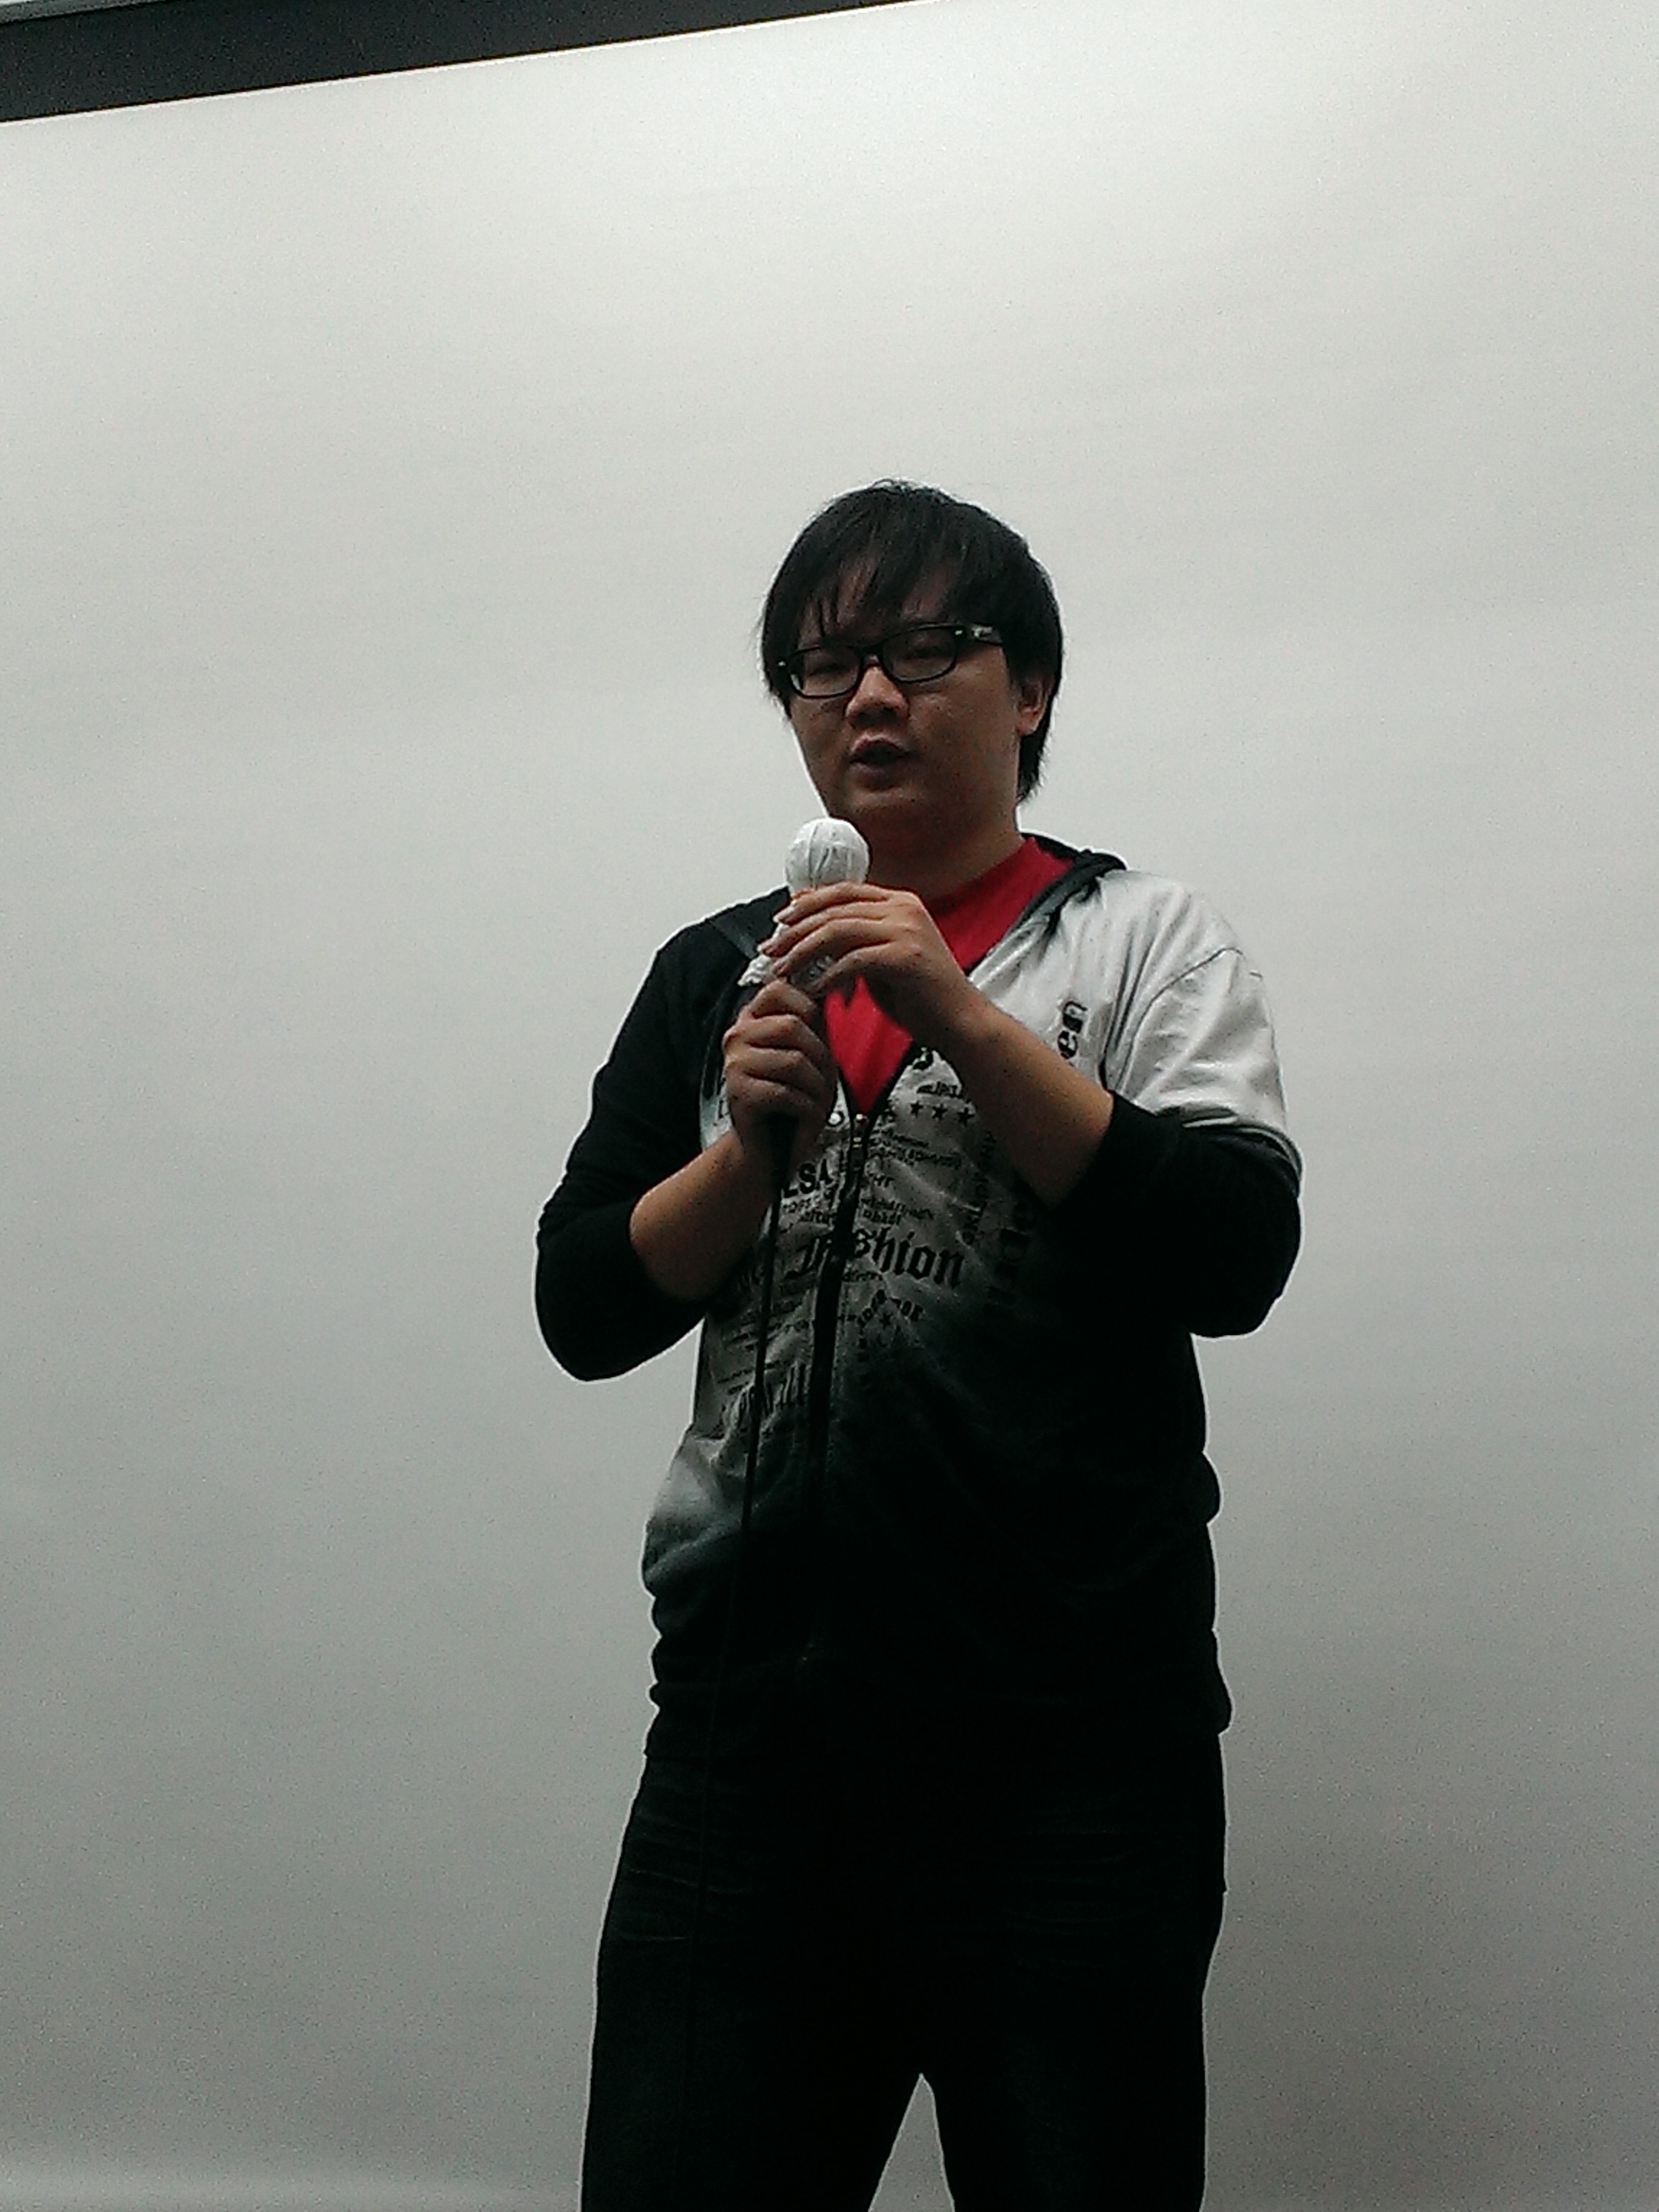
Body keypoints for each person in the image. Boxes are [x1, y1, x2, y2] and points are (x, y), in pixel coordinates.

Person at [537, 482, 1300, 2211]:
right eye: (823, 665)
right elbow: (584, 1306)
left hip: (1070, 1777)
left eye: (922, 649)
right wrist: (742, 1159)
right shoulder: (719, 974)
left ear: (1029, 690)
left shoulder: (1145, 940)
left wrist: (952, 1006)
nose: (867, 696)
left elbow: (1231, 1252)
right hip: (744, 1764)